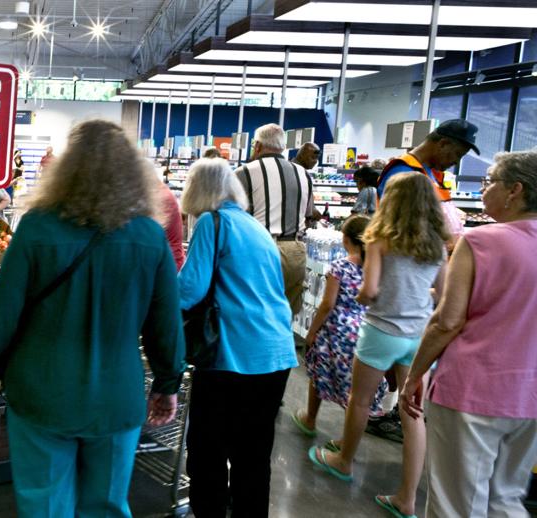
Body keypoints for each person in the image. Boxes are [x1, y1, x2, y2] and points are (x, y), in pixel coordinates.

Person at [0, 120, 185, 517]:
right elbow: (165, 322)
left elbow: (2, 310)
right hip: (117, 396)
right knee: (108, 506)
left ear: (67, 167)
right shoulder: (150, 236)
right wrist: (167, 383)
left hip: (42, 393)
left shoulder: (37, 228)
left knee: (45, 503)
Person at [400, 151, 537, 517]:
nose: (483, 188)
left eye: (490, 180)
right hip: (529, 397)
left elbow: (448, 320)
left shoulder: (481, 242)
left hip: (472, 391)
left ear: (515, 191)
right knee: (505, 498)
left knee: (454, 503)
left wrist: (415, 373)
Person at [308, 172, 448, 518]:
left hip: (381, 332)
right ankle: (407, 498)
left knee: (359, 400)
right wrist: (416, 294)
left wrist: (365, 295)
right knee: (413, 413)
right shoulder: (438, 246)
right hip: (418, 338)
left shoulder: (381, 240)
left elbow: (369, 292)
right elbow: (443, 296)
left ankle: (344, 461)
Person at [177, 158, 298, 517]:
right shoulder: (255, 227)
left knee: (207, 449)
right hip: (276, 354)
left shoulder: (211, 223)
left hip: (232, 353)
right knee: (253, 455)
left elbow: (190, 290)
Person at [292, 215, 389, 437]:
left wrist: (312, 331)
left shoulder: (339, 267)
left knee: (319, 372)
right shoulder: (376, 268)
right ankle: (346, 441)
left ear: (345, 240)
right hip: (365, 329)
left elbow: (327, 304)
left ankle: (310, 419)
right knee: (357, 391)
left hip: (336, 331)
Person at [234, 123, 315, 315]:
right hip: (296, 251)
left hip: (260, 249)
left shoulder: (244, 172)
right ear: (283, 147)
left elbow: (232, 217)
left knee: (255, 314)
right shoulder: (303, 174)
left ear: (258, 146)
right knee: (286, 315)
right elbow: (309, 214)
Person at [378, 119, 478, 247]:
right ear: (443, 144)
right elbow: (399, 228)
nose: (457, 162)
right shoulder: (404, 172)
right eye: (457, 154)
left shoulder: (432, 173)